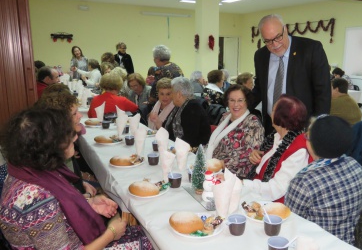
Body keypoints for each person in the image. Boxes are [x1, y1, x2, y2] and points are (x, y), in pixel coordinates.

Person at [0, 108, 152, 249]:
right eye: (66, 134)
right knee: (151, 240)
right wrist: (111, 233)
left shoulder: (28, 170)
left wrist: (88, 202)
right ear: (49, 146)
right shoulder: (36, 199)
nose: (75, 136)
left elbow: (59, 208)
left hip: (78, 239)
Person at [285, 115, 362, 245]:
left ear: (315, 145)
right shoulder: (353, 165)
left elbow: (290, 221)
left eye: (308, 137)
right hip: (346, 244)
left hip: (314, 245)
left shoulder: (303, 182)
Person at [253, 14, 331, 135]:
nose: (275, 44)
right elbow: (259, 88)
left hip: (302, 128)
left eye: (278, 37)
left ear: (286, 29)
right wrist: (240, 106)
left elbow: (323, 92)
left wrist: (317, 125)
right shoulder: (260, 55)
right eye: (268, 41)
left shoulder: (311, 49)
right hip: (271, 126)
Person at [244, 95, 312, 202]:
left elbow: (277, 189)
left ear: (282, 117)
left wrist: (242, 184)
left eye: (273, 110)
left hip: (273, 205)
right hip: (257, 193)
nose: (271, 114)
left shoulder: (299, 149)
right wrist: (256, 155)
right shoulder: (276, 137)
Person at [206, 84, 264, 179]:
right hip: (214, 168)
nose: (236, 104)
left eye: (240, 100)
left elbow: (250, 155)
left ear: (247, 102)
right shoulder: (225, 117)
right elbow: (214, 142)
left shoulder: (253, 124)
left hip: (235, 176)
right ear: (227, 102)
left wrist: (221, 164)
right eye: (232, 100)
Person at [163, 77, 211, 148]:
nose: (171, 96)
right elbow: (166, 125)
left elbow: (190, 140)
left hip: (192, 152)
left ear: (179, 94)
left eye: (171, 93)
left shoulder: (192, 108)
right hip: (176, 146)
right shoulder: (179, 106)